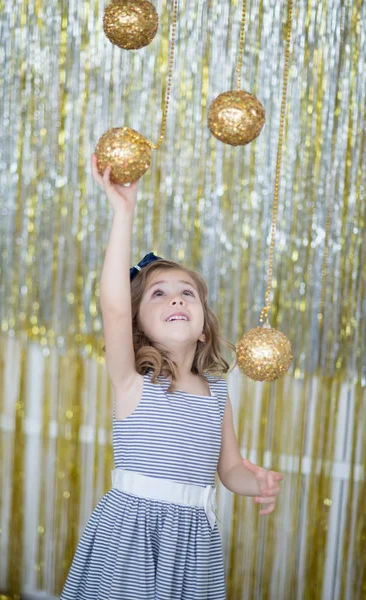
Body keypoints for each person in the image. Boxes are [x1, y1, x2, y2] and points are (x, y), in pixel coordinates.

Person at [60, 156, 283, 600]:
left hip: (194, 544)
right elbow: (114, 306)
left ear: (202, 326)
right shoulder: (133, 383)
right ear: (138, 325)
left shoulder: (217, 394)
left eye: (187, 293)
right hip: (130, 538)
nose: (175, 299)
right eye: (158, 294)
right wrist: (124, 212)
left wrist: (253, 481)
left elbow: (229, 469)